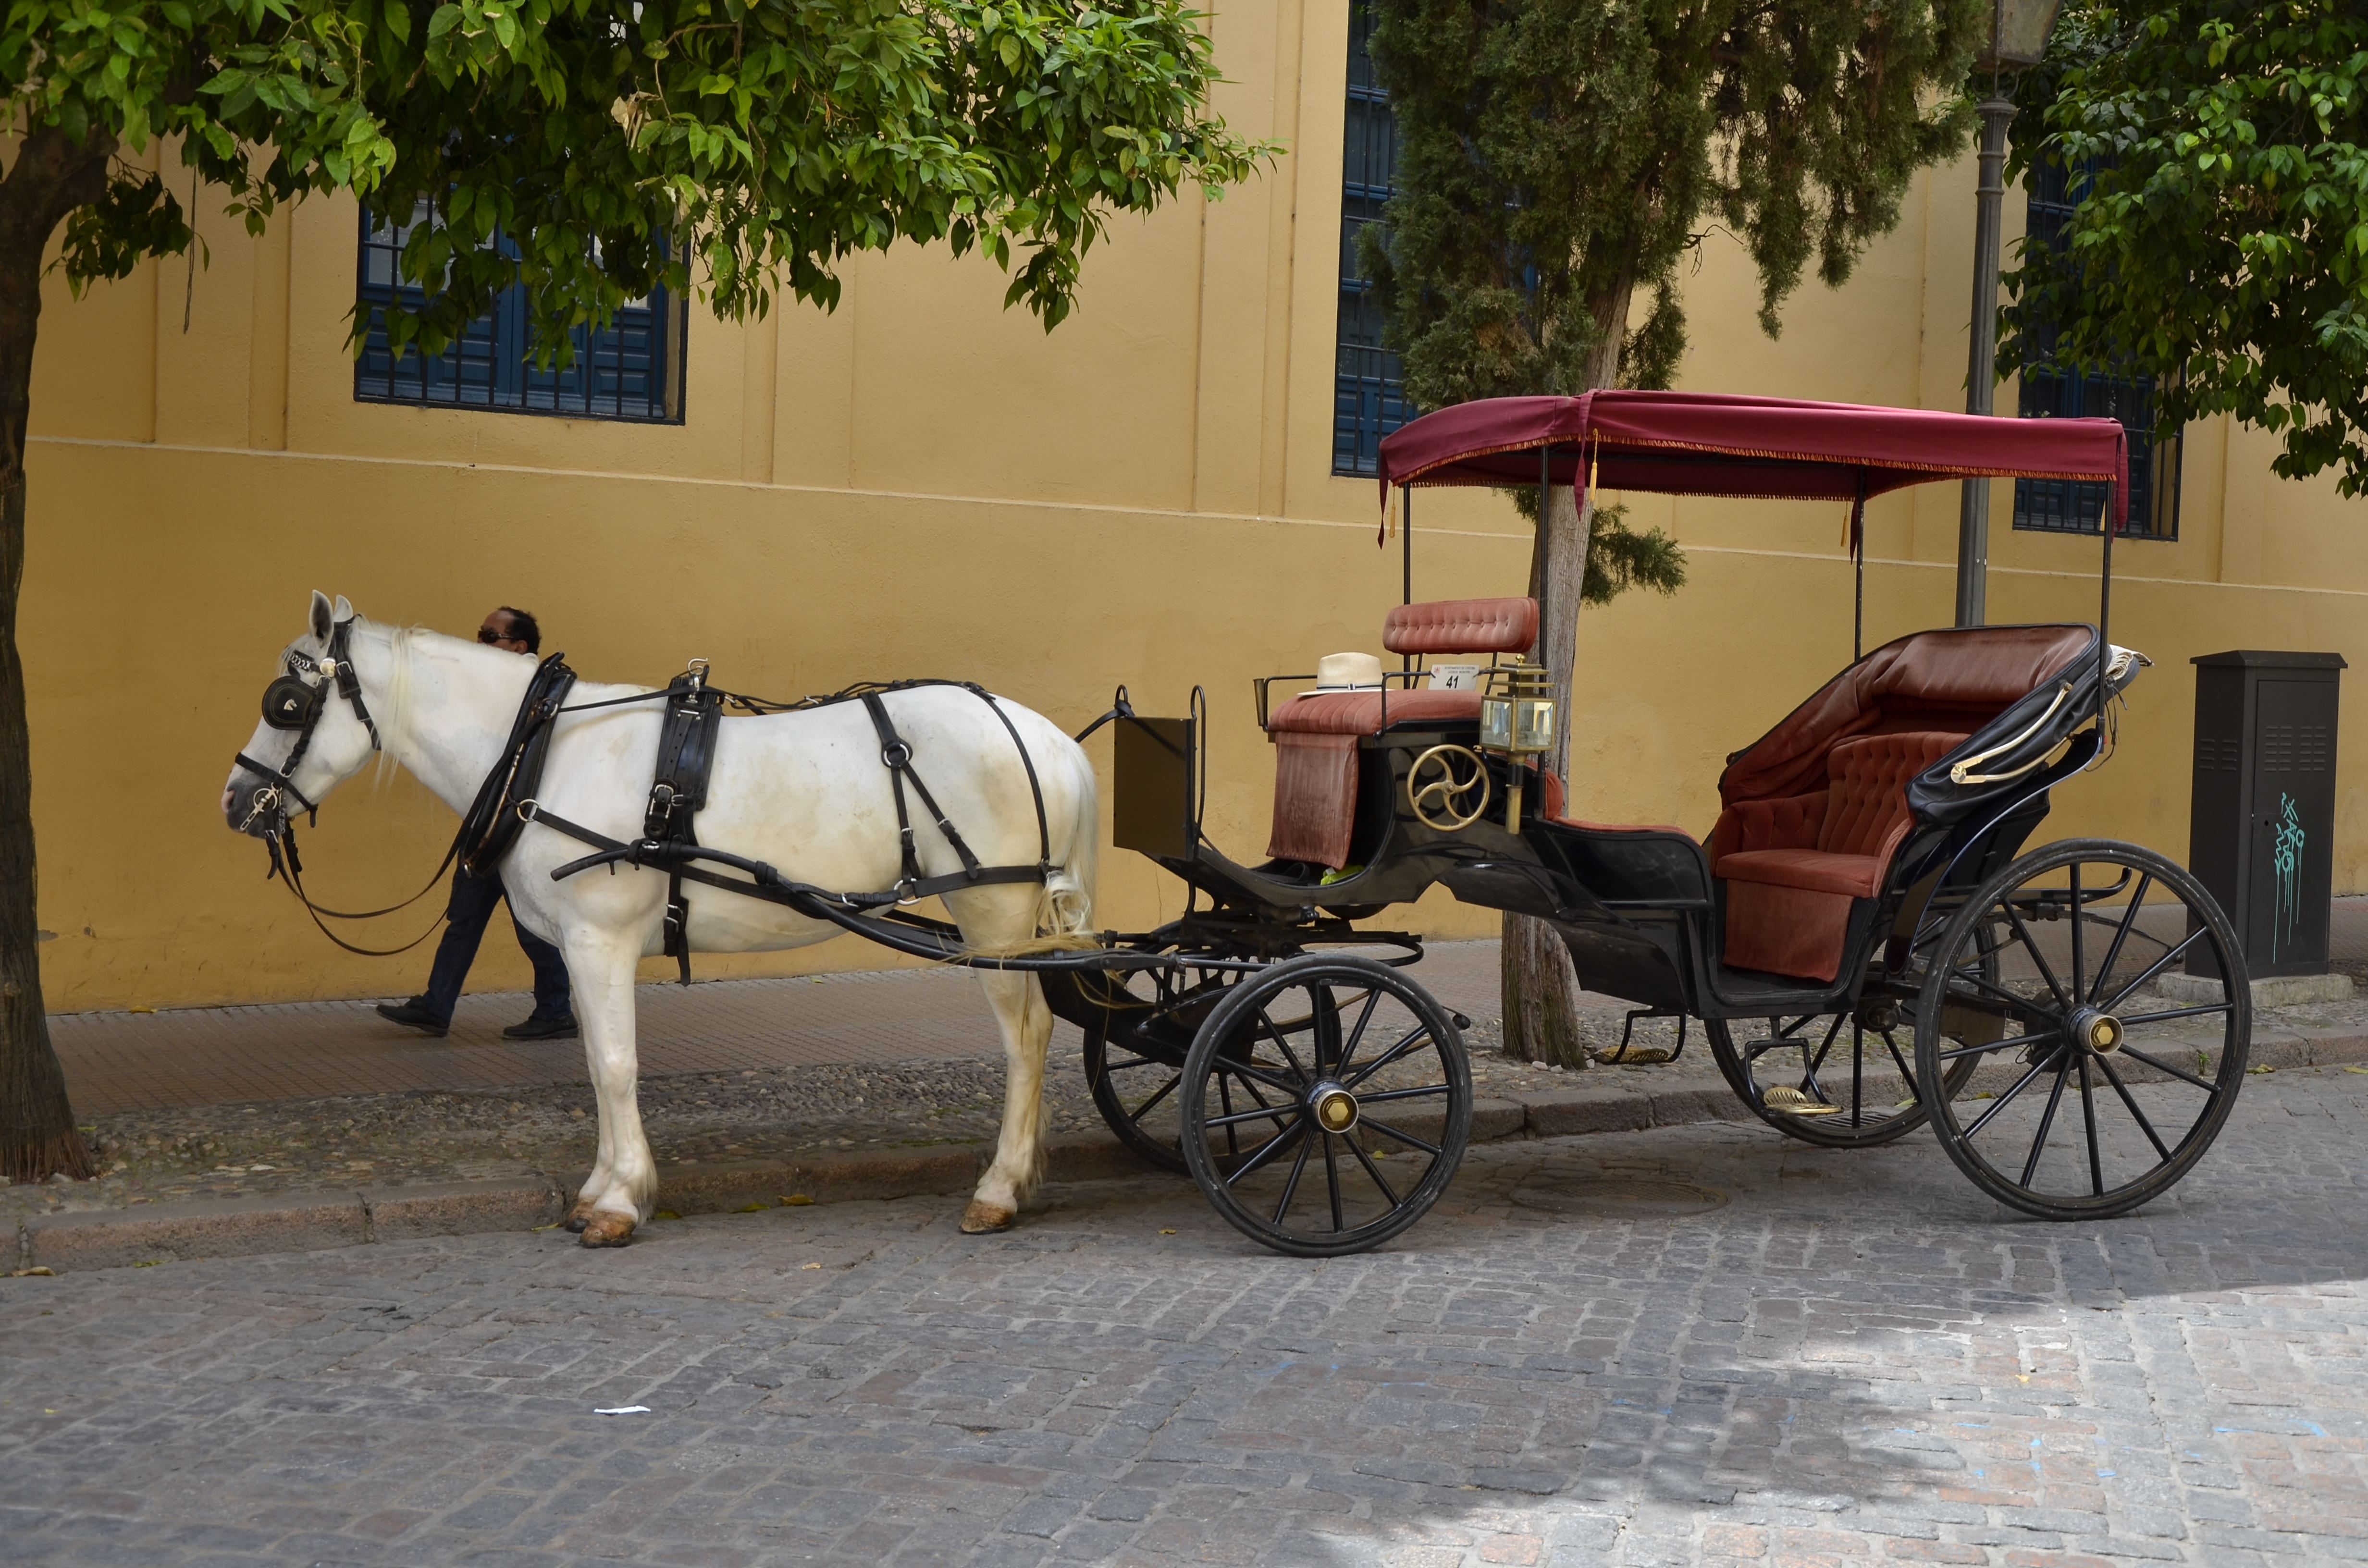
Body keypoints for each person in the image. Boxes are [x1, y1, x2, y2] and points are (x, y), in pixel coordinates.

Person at [376, 607, 579, 1041]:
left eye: (490, 636)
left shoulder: (526, 686)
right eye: (480, 633)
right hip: (487, 822)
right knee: (465, 918)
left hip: (514, 829)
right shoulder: (495, 684)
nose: (480, 642)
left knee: (530, 926)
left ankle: (556, 1011)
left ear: (519, 647)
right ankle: (437, 1006)